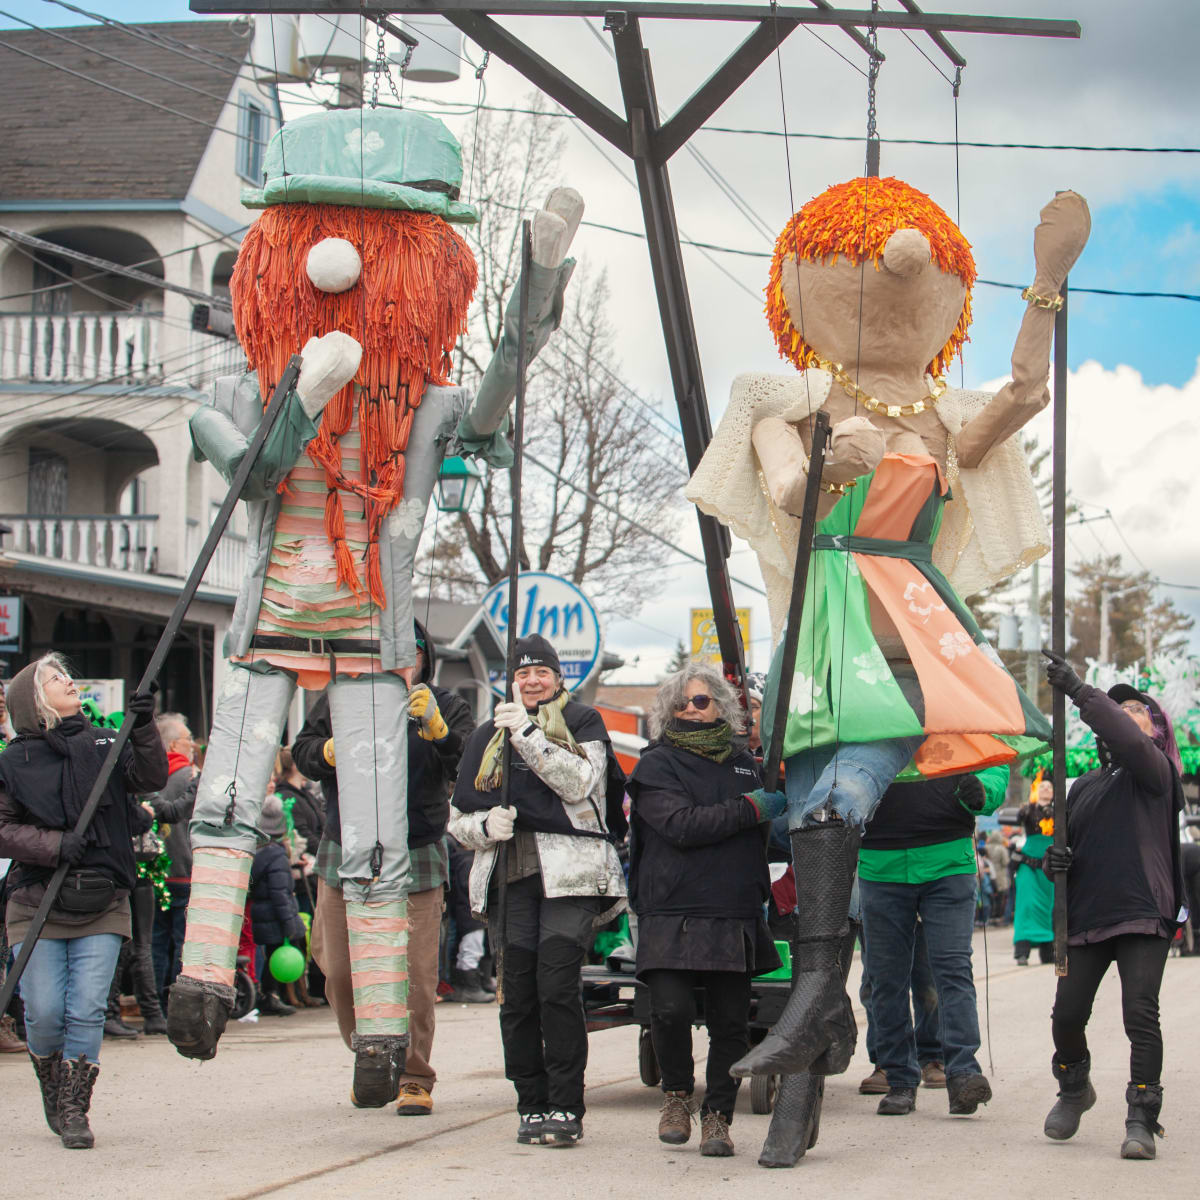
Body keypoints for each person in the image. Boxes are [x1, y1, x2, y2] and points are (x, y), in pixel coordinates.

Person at [449, 634, 626, 1148]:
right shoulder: (486, 734)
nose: (531, 681)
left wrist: (526, 733)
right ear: (511, 680)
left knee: (556, 985)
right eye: (522, 674)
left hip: (570, 875)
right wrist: (486, 828)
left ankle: (567, 1105)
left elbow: (581, 785)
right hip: (509, 876)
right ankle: (531, 1102)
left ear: (556, 676)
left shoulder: (583, 723)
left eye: (540, 673)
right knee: (518, 995)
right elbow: (457, 819)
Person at [296, 621, 475, 1112]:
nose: (398, 657)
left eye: (408, 650)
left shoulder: (446, 703)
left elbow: (470, 769)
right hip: (346, 848)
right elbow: (302, 750)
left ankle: (414, 1075)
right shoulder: (341, 696)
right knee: (338, 971)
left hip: (416, 849)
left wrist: (439, 733)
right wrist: (328, 752)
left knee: (414, 976)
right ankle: (373, 1057)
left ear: (423, 656)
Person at [0, 654, 166, 1149]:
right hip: (37, 899)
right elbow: (3, 828)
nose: (69, 681)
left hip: (104, 895)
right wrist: (53, 846)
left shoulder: (103, 743)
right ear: (34, 701)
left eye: (67, 675)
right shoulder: (13, 761)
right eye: (56, 679)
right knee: (46, 1012)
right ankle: (51, 1076)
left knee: (88, 1008)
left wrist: (143, 725)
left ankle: (75, 1104)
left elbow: (150, 777)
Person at [626, 662, 783, 1157]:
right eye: (680, 702)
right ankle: (676, 1095)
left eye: (699, 700)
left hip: (732, 905)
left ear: (722, 705)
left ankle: (718, 1115)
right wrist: (751, 809)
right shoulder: (655, 764)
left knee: (731, 1022)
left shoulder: (745, 763)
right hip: (671, 905)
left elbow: (769, 835)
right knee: (668, 1011)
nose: (688, 709)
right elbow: (679, 825)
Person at [1040, 654, 1187, 1161]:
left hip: (1143, 912)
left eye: (1138, 709)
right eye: (1118, 707)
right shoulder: (1081, 788)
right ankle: (1074, 1088)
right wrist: (1055, 860)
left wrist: (1080, 691)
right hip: (1088, 915)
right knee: (1066, 1016)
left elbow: (1127, 739)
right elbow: (1066, 855)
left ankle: (1142, 1116)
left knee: (1139, 1015)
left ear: (1155, 729)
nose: (1127, 715)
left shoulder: (1157, 772)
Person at [857, 766, 1007, 1116]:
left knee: (953, 970)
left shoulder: (959, 713)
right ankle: (899, 1080)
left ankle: (964, 1072)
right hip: (881, 864)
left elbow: (993, 755)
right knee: (885, 977)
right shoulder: (869, 712)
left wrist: (985, 789)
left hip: (948, 862)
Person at [147, 713, 199, 1008]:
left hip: (154, 869)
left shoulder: (149, 775)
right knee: (182, 941)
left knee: (156, 939)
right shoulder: (189, 776)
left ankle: (153, 1002)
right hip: (183, 870)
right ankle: (178, 1003)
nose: (193, 744)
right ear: (172, 744)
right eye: (188, 739)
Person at [249, 794, 307, 1017]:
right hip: (274, 914)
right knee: (275, 956)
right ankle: (270, 996)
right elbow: (280, 892)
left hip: (261, 911)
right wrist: (290, 923)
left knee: (267, 955)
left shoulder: (258, 852)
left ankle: (267, 995)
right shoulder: (278, 856)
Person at [1011, 778, 1055, 964]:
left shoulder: (1060, 810)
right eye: (1042, 786)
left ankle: (1048, 952)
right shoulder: (1028, 809)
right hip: (1028, 864)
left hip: (1050, 864)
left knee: (1049, 907)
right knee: (1026, 906)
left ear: (1054, 792)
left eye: (1049, 786)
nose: (1045, 788)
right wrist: (1026, 808)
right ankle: (1022, 951)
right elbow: (1015, 821)